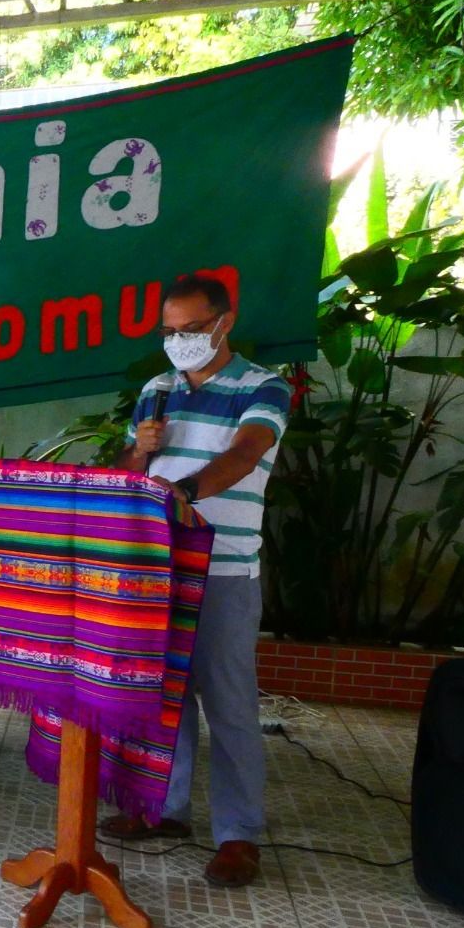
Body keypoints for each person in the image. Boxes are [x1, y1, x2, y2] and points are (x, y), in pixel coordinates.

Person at [101, 272, 291, 889]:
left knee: (229, 703)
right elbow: (127, 472)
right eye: (169, 330)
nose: (178, 340)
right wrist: (140, 451)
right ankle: (165, 809)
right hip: (160, 565)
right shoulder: (156, 390)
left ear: (224, 323)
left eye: (191, 328)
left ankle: (238, 833)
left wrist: (182, 492)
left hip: (224, 567)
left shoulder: (262, 386)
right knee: (165, 697)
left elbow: (245, 454)